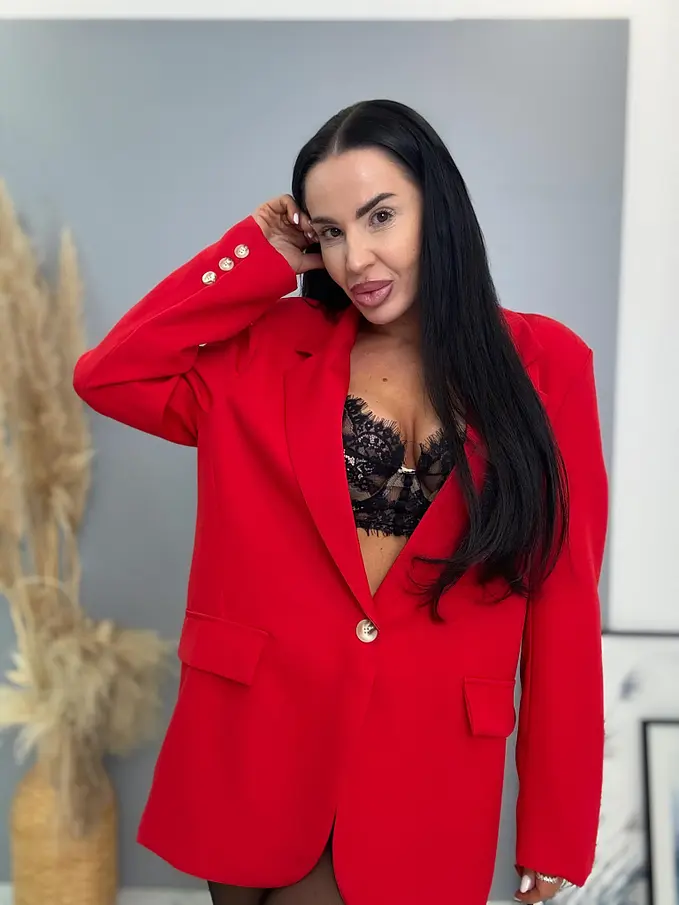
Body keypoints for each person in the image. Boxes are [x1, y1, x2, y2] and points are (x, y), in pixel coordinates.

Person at [73, 99, 608, 905]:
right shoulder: (267, 346)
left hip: (422, 768)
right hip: (255, 748)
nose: (355, 258)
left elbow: (562, 602)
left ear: (439, 207)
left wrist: (556, 823)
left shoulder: (547, 365)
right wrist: (255, 254)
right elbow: (111, 375)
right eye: (328, 231)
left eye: (379, 216)